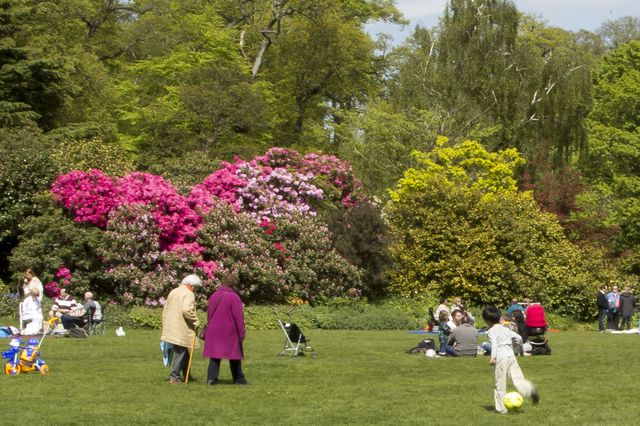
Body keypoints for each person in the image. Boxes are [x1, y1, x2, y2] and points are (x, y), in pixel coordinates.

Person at [482, 306, 539, 414]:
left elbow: (494, 344)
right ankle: (530, 390)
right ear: (500, 318)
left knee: (500, 384)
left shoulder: (491, 331)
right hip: (511, 355)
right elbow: (519, 338)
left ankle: (501, 409)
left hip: (501, 358)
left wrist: (492, 357)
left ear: (487, 321)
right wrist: (518, 349)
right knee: (518, 378)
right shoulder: (505, 328)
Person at [203, 273, 248, 385]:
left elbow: (209, 314)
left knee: (215, 355)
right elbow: (238, 317)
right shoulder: (234, 297)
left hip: (213, 330)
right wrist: (242, 333)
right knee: (234, 354)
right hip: (229, 331)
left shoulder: (214, 296)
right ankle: (238, 378)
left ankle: (211, 378)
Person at [161, 274, 201, 384]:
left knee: (184, 351)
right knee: (181, 351)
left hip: (171, 326)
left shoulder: (174, 291)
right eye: (196, 287)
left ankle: (187, 373)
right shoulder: (189, 294)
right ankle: (174, 376)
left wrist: (165, 324)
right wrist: (195, 321)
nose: (196, 290)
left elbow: (166, 309)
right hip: (180, 327)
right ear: (192, 286)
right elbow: (186, 310)